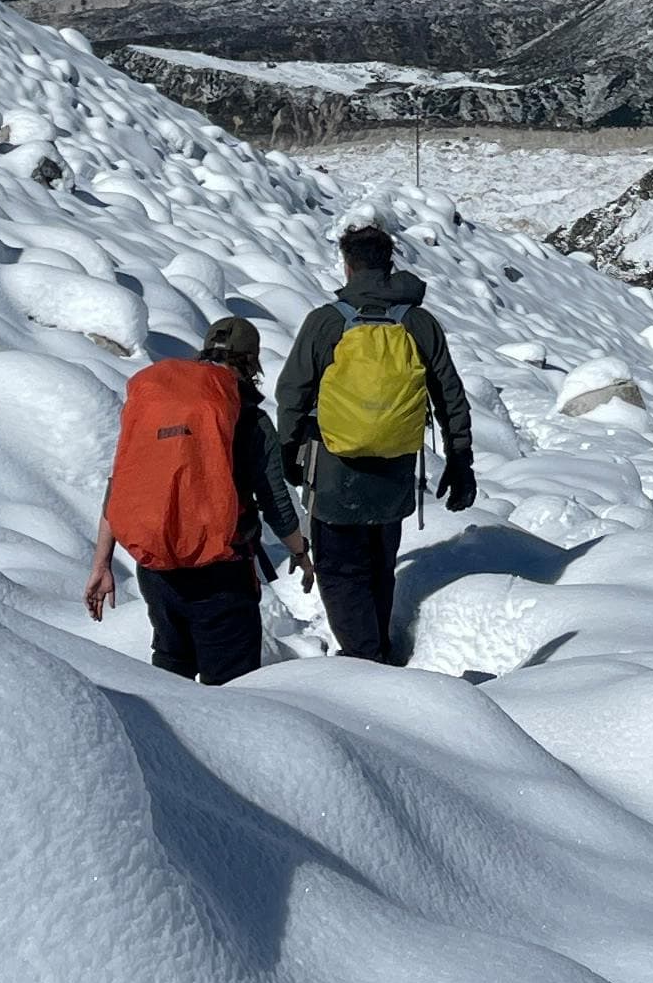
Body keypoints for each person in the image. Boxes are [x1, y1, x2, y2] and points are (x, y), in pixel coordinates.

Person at [273, 217, 474, 664]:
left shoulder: (326, 323)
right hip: (396, 469)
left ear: (347, 266)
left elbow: (292, 392)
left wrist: (289, 449)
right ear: (389, 264)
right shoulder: (419, 323)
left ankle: (365, 662)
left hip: (334, 471)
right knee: (380, 564)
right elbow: (449, 394)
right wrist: (461, 459)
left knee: (340, 570)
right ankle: (377, 648)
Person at [84, 314, 308, 684]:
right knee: (233, 684)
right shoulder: (248, 418)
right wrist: (300, 552)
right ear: (251, 363)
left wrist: (101, 564)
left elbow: (120, 484)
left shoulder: (158, 403)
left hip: (157, 572)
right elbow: (276, 501)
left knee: (173, 665)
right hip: (221, 571)